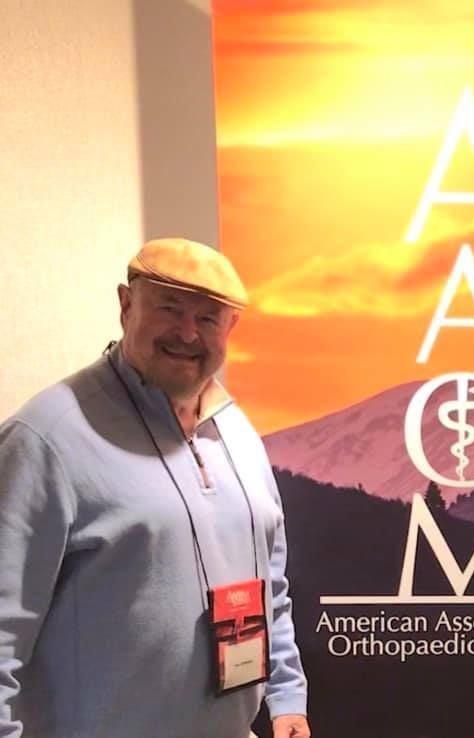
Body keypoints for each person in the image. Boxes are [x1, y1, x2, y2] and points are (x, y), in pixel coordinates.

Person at [0, 239, 310, 738]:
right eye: (169, 308)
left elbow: (268, 584)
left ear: (230, 329)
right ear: (126, 306)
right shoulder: (47, 437)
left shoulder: (237, 432)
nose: (187, 333)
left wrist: (286, 695)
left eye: (208, 318)